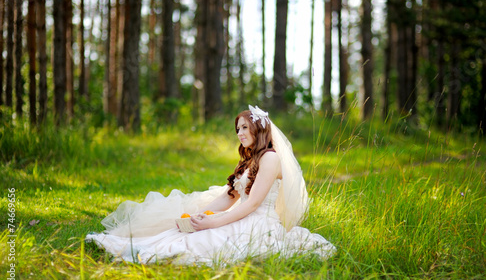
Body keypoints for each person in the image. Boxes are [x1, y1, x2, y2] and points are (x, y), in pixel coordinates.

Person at [86, 106, 335, 266]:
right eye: (237, 129)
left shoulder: (270, 157)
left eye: (244, 127)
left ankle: (147, 253)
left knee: (206, 239)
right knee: (189, 230)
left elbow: (254, 204)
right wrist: (204, 214)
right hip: (240, 214)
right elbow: (229, 198)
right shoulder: (250, 160)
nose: (239, 133)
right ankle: (135, 247)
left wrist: (215, 222)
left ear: (258, 128)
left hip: (258, 223)